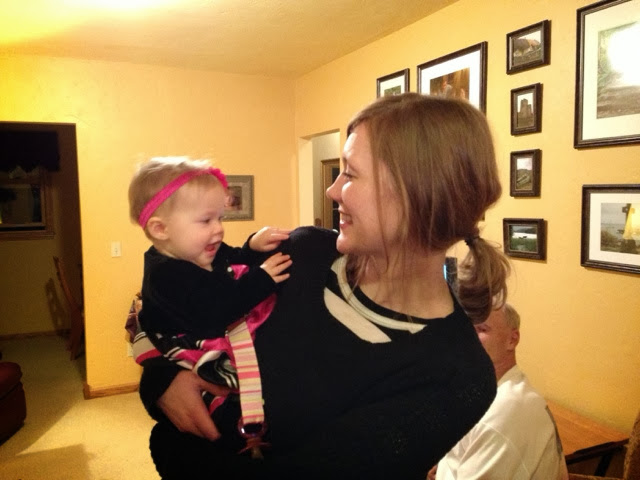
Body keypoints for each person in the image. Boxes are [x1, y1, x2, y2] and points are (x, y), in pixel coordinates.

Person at [137, 93, 511, 479]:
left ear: (417, 193)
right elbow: (172, 311)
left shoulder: (457, 376)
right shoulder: (302, 253)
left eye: (350, 173)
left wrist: (173, 449)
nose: (332, 191)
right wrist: (161, 380)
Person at [128, 156, 292, 451]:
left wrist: (253, 246)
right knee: (222, 406)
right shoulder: (165, 275)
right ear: (161, 229)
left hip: (219, 339)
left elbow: (232, 258)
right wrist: (262, 280)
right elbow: (218, 310)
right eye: (206, 220)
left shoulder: (199, 250)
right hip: (191, 353)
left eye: (220, 218)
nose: (218, 229)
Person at [428, 304, 569, 480]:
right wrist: (444, 466)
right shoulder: (487, 391)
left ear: (512, 340)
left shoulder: (503, 415)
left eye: (482, 329)